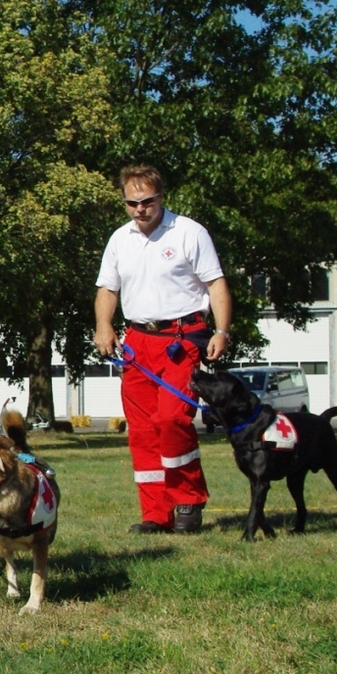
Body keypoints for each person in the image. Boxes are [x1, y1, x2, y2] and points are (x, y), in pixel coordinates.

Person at [94, 165, 231, 534]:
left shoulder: (189, 232)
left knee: (172, 419)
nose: (140, 209)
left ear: (161, 197)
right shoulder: (120, 239)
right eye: (131, 202)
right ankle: (156, 513)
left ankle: (187, 500)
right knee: (141, 430)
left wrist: (221, 331)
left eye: (147, 201)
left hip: (183, 337)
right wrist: (104, 326)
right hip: (138, 343)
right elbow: (108, 289)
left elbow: (216, 284)